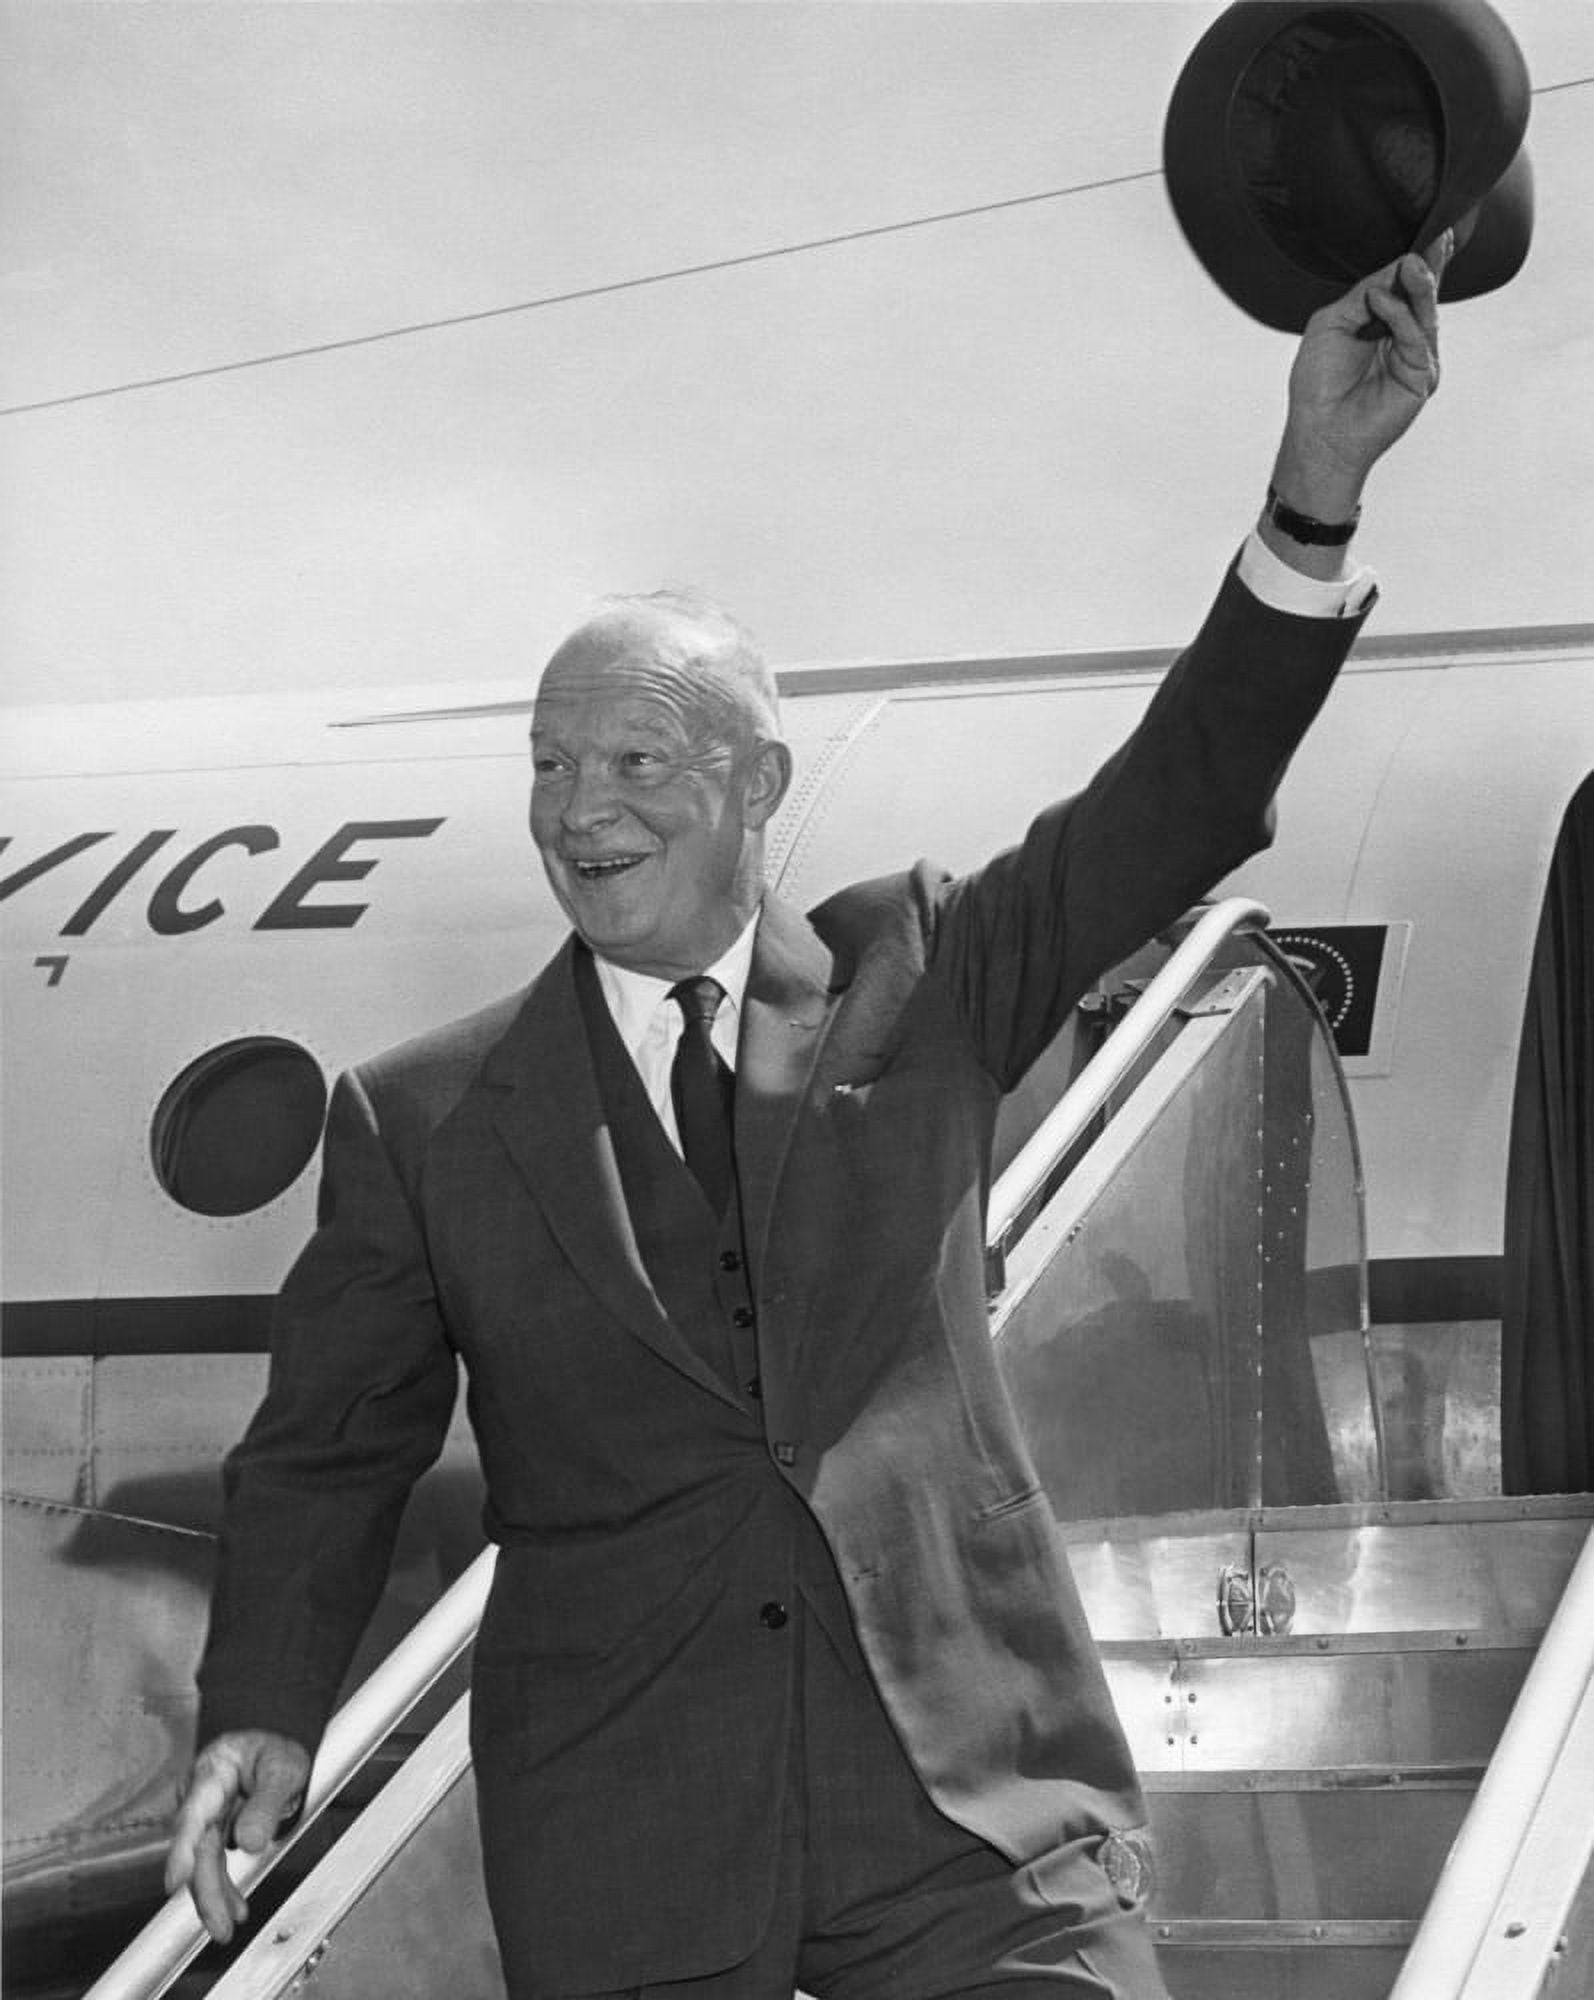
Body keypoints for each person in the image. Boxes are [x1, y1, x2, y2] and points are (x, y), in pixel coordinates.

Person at [167, 238, 1450, 1998]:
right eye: (547, 762)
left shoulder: (920, 971)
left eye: (633, 761)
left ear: (756, 785)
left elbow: (1183, 796)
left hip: (971, 1826)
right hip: (632, 1846)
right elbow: (326, 1452)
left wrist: (1311, 493)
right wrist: (261, 1711)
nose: (575, 809)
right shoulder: (421, 1119)